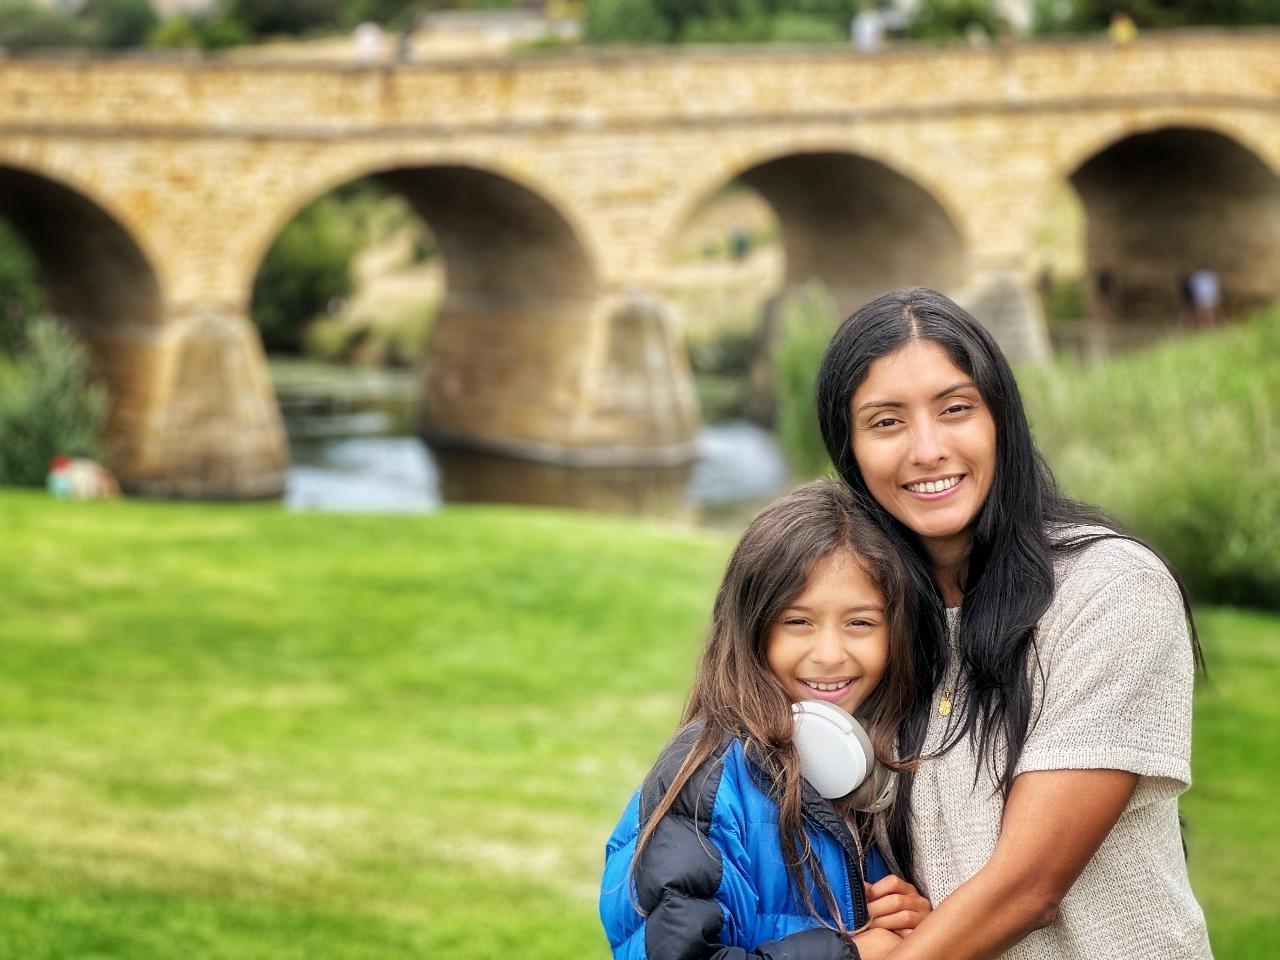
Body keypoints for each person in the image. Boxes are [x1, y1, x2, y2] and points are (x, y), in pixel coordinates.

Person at [815, 287, 1210, 959]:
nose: (927, 449)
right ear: (848, 449)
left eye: (956, 409)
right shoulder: (866, 621)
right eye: (886, 422)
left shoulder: (1109, 590)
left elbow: (1029, 887)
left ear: (1001, 419)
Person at [600, 480, 932, 960]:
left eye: (861, 622)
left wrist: (910, 923)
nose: (829, 654)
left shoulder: (877, 767)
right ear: (752, 630)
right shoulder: (704, 785)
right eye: (798, 621)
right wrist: (851, 954)